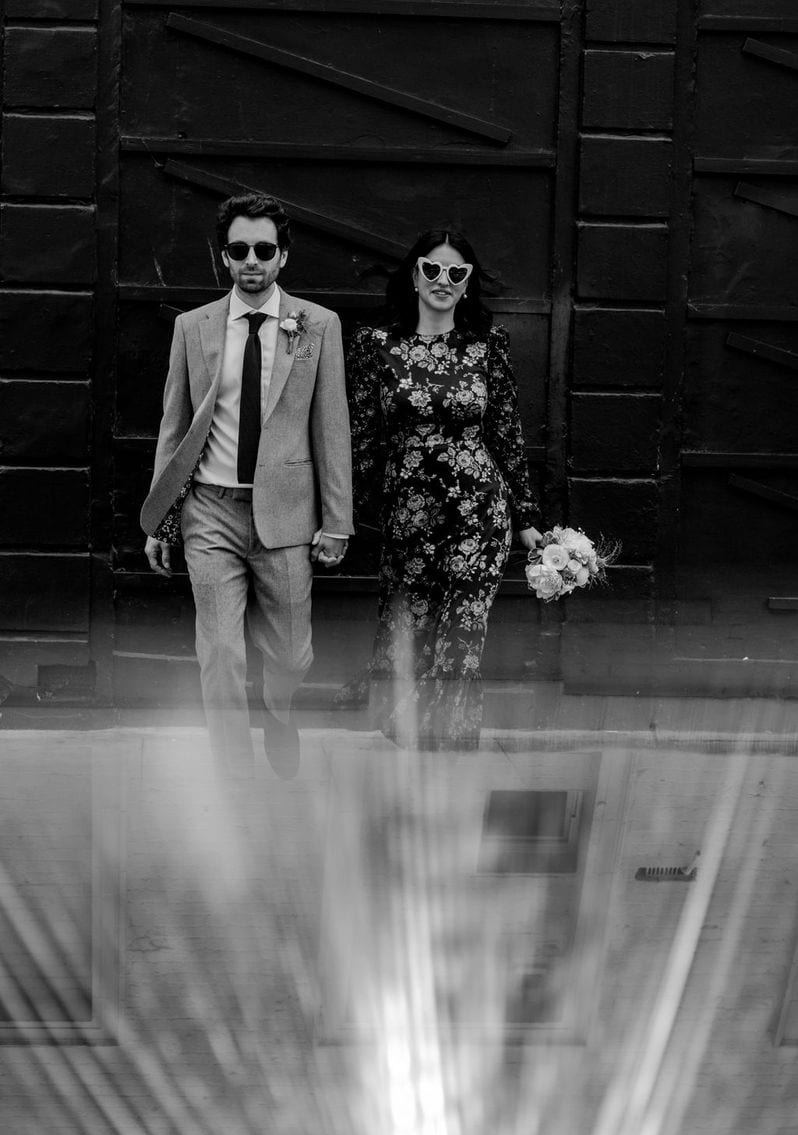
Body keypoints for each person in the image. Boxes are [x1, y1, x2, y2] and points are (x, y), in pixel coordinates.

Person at [141, 193, 353, 781]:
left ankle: (279, 708)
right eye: (239, 250)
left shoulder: (318, 325)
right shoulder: (193, 327)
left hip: (287, 514)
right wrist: (161, 518)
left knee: (291, 652)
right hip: (210, 510)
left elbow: (331, 427)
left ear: (283, 255)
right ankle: (231, 771)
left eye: (264, 249)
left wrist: (337, 521)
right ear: (224, 257)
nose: (251, 261)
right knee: (219, 651)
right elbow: (174, 426)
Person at [336, 228, 542, 750]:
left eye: (456, 272)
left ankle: (448, 751)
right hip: (409, 513)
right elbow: (361, 438)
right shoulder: (375, 345)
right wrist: (340, 514)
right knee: (413, 627)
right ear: (414, 276)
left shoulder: (487, 345)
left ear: (468, 283)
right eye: (432, 269)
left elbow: (506, 432)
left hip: (479, 510)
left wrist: (525, 516)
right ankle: (410, 739)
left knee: (462, 632)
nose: (442, 280)